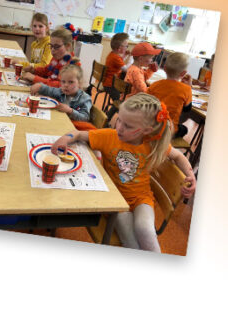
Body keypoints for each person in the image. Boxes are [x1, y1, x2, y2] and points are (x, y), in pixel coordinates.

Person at [50, 93, 195, 252]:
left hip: (141, 198)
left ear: (146, 130)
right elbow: (78, 134)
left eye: (128, 126)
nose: (119, 127)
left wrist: (190, 175)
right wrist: (64, 138)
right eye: (119, 120)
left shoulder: (152, 144)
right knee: (130, 240)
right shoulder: (109, 136)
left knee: (145, 229)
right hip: (115, 200)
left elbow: (178, 156)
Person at [30, 64, 93, 130]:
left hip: (73, 129)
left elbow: (85, 118)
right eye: (63, 81)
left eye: (71, 82)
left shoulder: (85, 99)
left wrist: (70, 111)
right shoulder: (61, 91)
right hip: (59, 124)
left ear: (79, 83)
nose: (66, 85)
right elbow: (50, 90)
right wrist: (40, 86)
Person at [147, 52, 194, 139]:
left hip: (151, 125)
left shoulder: (155, 85)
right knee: (184, 129)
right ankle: (168, 146)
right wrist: (189, 86)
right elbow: (187, 110)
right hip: (169, 129)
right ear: (184, 73)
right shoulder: (186, 89)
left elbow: (145, 103)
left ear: (164, 68)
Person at [102, 32, 130, 98]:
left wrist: (125, 55)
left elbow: (120, 63)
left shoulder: (113, 54)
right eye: (126, 46)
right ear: (119, 48)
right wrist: (132, 59)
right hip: (111, 85)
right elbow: (126, 70)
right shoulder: (116, 58)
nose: (127, 48)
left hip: (110, 82)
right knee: (120, 101)